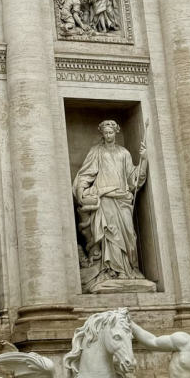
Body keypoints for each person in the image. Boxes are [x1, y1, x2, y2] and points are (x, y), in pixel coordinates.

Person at [72, 120, 147, 287]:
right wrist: (80, 192)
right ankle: (113, 270)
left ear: (116, 132)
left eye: (111, 132)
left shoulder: (124, 153)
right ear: (102, 134)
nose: (108, 135)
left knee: (128, 234)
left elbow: (133, 180)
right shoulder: (96, 151)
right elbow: (86, 174)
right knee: (110, 233)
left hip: (122, 198)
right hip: (105, 197)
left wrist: (144, 160)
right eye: (105, 133)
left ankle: (128, 268)